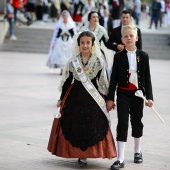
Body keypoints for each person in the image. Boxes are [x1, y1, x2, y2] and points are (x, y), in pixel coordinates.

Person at [47, 31, 117, 167]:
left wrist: (109, 99)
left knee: (92, 125)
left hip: (93, 98)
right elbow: (68, 81)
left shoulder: (98, 61)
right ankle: (80, 155)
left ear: (92, 44)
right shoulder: (73, 62)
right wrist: (61, 99)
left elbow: (103, 82)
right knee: (75, 125)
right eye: (82, 43)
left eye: (88, 43)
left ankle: (90, 153)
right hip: (75, 97)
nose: (85, 45)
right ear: (78, 45)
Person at [106, 25, 154, 170]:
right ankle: (120, 158)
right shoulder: (118, 56)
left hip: (138, 95)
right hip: (122, 94)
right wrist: (110, 98)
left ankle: (137, 151)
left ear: (136, 38)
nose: (128, 38)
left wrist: (149, 97)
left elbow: (147, 77)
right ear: (122, 39)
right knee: (122, 123)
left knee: (137, 121)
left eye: (131, 36)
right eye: (126, 36)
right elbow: (113, 78)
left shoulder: (143, 56)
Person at [79, 11, 115, 77]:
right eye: (93, 17)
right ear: (89, 19)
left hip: (98, 53)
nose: (96, 19)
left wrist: (116, 46)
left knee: (103, 71)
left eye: (97, 17)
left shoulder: (101, 30)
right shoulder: (83, 29)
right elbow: (78, 42)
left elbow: (107, 43)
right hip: (84, 52)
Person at [47, 10, 76, 74]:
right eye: (64, 16)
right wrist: (54, 42)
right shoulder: (59, 25)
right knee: (60, 55)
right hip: (60, 42)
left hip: (69, 42)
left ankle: (67, 69)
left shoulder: (71, 25)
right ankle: (62, 69)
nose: (65, 17)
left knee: (68, 55)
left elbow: (73, 34)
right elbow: (56, 35)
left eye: (66, 16)